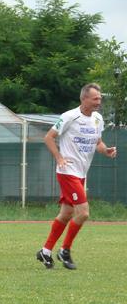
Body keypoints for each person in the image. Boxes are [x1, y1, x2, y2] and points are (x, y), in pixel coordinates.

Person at [36, 83, 117, 270]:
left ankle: (45, 251)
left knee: (66, 214)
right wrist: (59, 158)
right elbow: (48, 137)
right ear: (84, 99)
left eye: (100, 98)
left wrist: (106, 151)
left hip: (81, 173)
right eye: (95, 98)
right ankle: (65, 250)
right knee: (84, 212)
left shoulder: (97, 119)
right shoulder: (69, 116)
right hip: (67, 172)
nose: (99, 102)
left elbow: (98, 142)